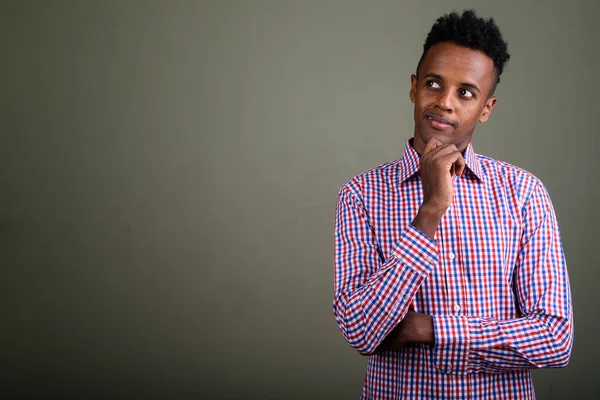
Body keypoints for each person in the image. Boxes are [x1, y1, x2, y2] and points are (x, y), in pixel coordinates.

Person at [333, 9, 573, 400]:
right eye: (433, 84)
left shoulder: (524, 192)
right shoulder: (361, 194)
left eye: (465, 92)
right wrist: (431, 210)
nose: (444, 103)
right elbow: (361, 331)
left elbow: (554, 338)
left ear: (486, 108)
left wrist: (427, 329)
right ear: (414, 88)